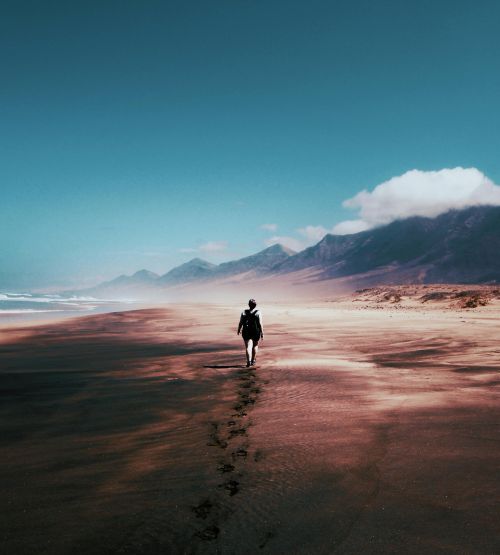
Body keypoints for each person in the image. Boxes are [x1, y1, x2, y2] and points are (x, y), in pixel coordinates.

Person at [237, 299, 264, 367]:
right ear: (255, 305)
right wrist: (262, 333)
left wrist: (239, 329)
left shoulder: (244, 312)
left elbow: (241, 322)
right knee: (255, 345)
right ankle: (253, 360)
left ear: (249, 304)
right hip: (256, 331)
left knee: (248, 346)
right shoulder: (258, 312)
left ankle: (248, 361)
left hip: (246, 331)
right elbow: (260, 323)